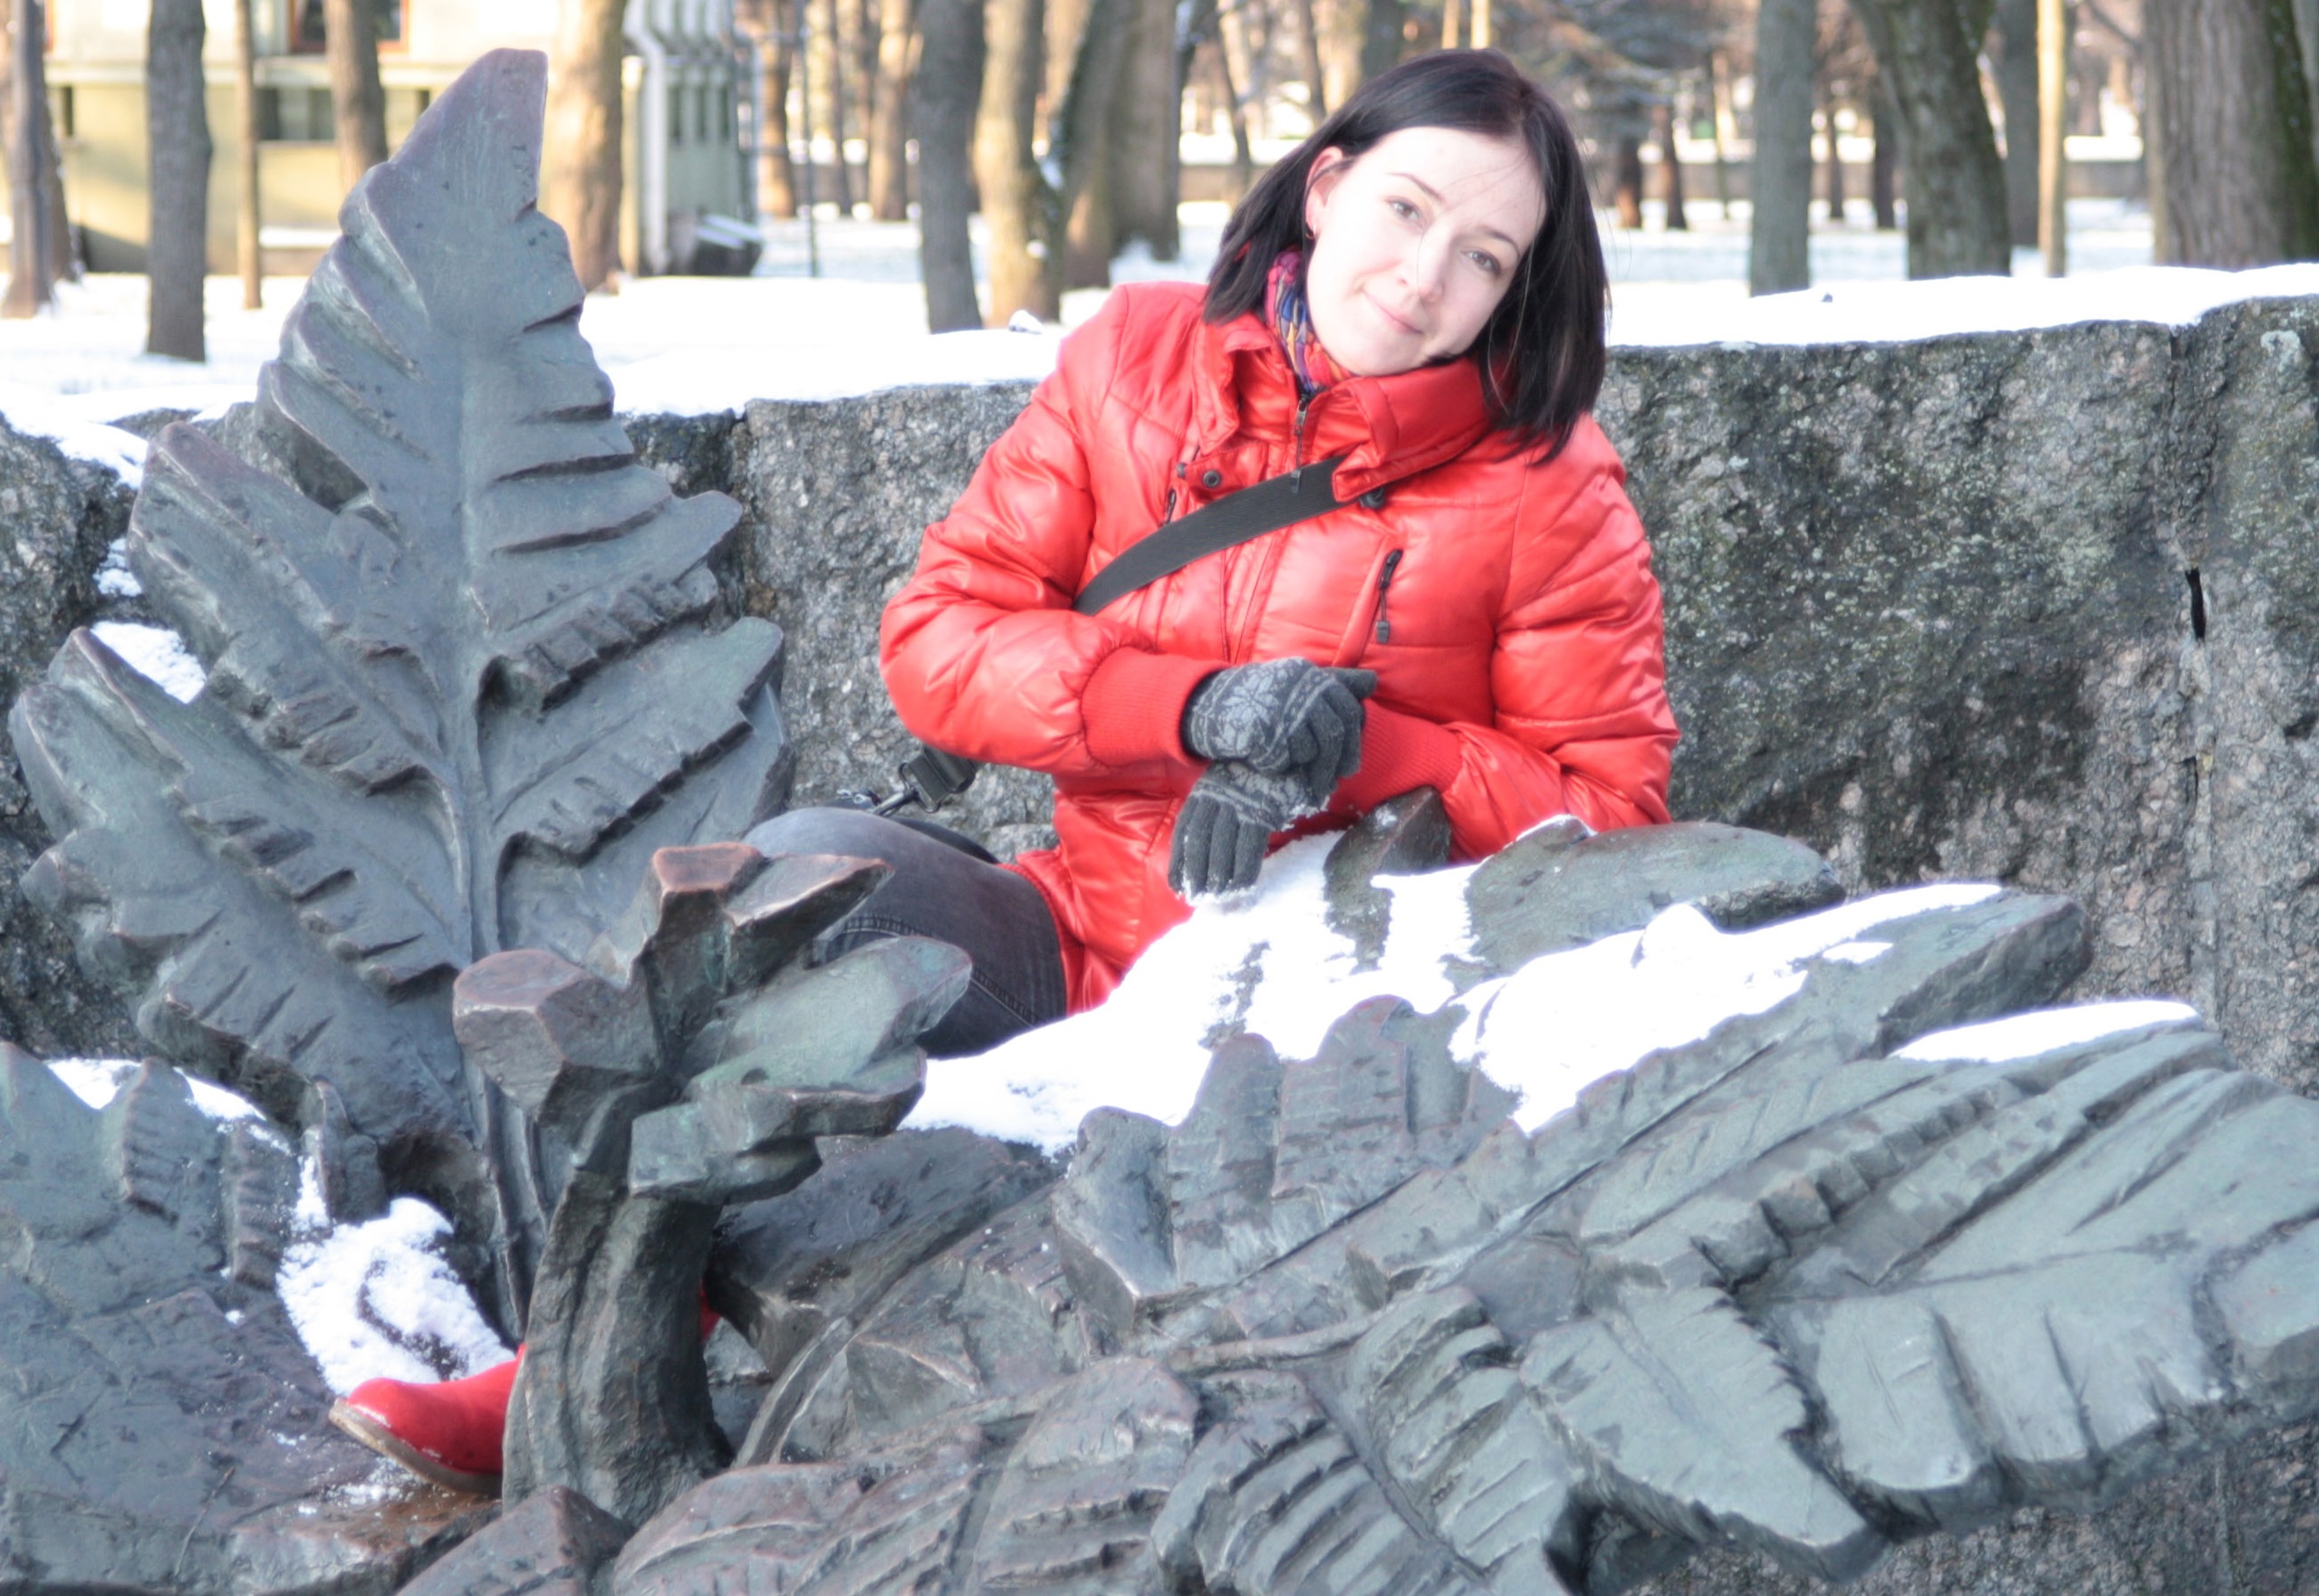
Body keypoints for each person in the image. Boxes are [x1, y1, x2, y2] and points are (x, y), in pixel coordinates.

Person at [329, 46, 1676, 1495]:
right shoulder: (1137, 361)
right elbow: (940, 634)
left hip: (1318, 1022)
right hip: (1084, 936)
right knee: (788, 892)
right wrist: (1195, 707)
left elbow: (1614, 815)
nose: (1424, 278)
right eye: (1407, 210)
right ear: (1330, 186)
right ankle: (591, 1360)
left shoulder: (1549, 488)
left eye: (1483, 257)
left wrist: (1359, 754)